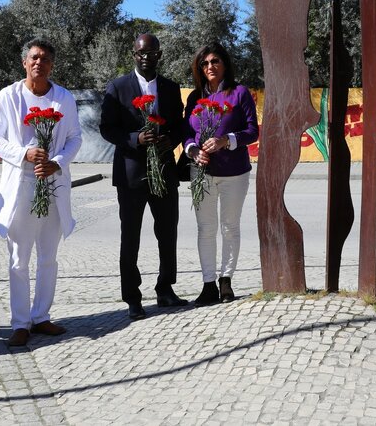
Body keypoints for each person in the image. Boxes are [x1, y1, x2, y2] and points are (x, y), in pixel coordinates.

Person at [0, 40, 82, 347]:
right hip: (21, 181)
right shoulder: (9, 96)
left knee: (48, 255)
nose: (39, 63)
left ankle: (41, 316)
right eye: (34, 58)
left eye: (45, 59)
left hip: (53, 182)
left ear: (52, 65)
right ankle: (20, 322)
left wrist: (57, 163)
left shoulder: (63, 98)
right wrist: (23, 154)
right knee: (19, 257)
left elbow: (74, 138)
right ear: (25, 63)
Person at [99, 33, 187, 320]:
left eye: (151, 52)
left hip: (164, 170)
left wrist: (170, 140)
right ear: (133, 55)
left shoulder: (171, 88)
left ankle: (165, 289)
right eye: (140, 52)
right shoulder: (118, 87)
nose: (146, 56)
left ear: (159, 54)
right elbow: (107, 128)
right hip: (130, 174)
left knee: (168, 232)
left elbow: (180, 126)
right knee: (131, 237)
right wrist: (136, 138)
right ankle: (133, 298)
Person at [182, 43, 259, 306]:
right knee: (206, 228)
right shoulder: (194, 98)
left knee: (229, 226)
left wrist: (226, 140)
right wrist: (193, 151)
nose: (209, 67)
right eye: (204, 63)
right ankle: (207, 285)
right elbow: (187, 134)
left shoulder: (238, 93)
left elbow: (252, 131)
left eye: (215, 61)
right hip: (201, 172)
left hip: (234, 173)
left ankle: (226, 281)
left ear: (224, 63)